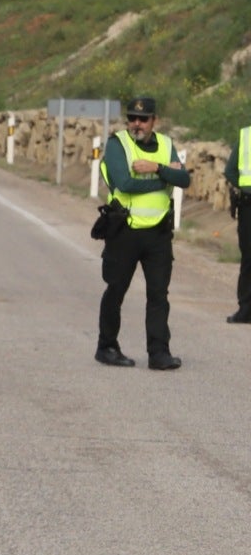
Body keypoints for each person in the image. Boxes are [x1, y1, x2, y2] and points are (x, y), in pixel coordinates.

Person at [96, 96, 186, 370]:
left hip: (158, 233)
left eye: (143, 119)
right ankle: (107, 346)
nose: (137, 124)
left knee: (158, 295)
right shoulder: (117, 144)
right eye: (132, 118)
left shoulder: (166, 145)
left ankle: (159, 353)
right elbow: (124, 182)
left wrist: (156, 167)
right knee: (116, 290)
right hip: (124, 230)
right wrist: (164, 178)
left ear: (153, 121)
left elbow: (185, 179)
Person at [228, 120, 251, 325]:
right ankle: (245, 309)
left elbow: (230, 172)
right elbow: (230, 171)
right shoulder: (245, 136)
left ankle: (245, 310)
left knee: (248, 260)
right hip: (248, 206)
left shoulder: (245, 136)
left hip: (248, 206)